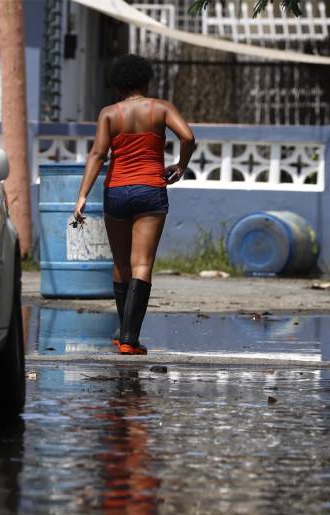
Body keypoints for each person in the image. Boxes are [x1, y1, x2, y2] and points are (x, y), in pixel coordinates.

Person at [72, 54, 195, 355]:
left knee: (121, 263)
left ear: (118, 85)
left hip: (116, 191)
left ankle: (123, 334)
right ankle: (130, 339)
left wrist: (82, 195)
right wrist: (181, 165)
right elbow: (188, 137)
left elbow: (97, 155)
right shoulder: (161, 108)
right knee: (142, 263)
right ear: (145, 81)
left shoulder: (109, 114)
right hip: (150, 189)